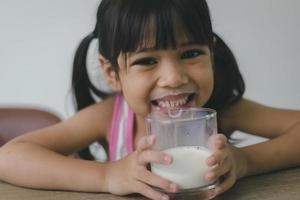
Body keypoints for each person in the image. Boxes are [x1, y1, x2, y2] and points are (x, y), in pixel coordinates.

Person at [0, 0, 299, 200]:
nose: (173, 78)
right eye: (146, 61)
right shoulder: (110, 117)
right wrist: (107, 175)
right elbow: (9, 157)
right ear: (112, 73)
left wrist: (245, 161)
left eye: (191, 54)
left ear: (211, 52)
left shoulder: (222, 111)